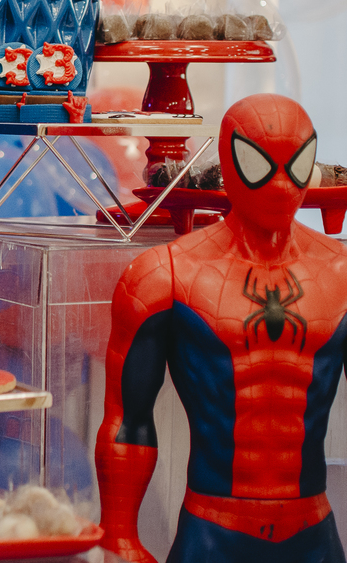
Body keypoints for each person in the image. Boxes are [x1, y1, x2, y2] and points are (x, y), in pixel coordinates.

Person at [97, 93, 347, 562]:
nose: (280, 184)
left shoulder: (340, 272)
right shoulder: (165, 275)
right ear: (229, 164)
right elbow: (128, 419)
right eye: (258, 165)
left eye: (297, 164)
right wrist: (118, 536)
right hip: (213, 531)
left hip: (312, 529)